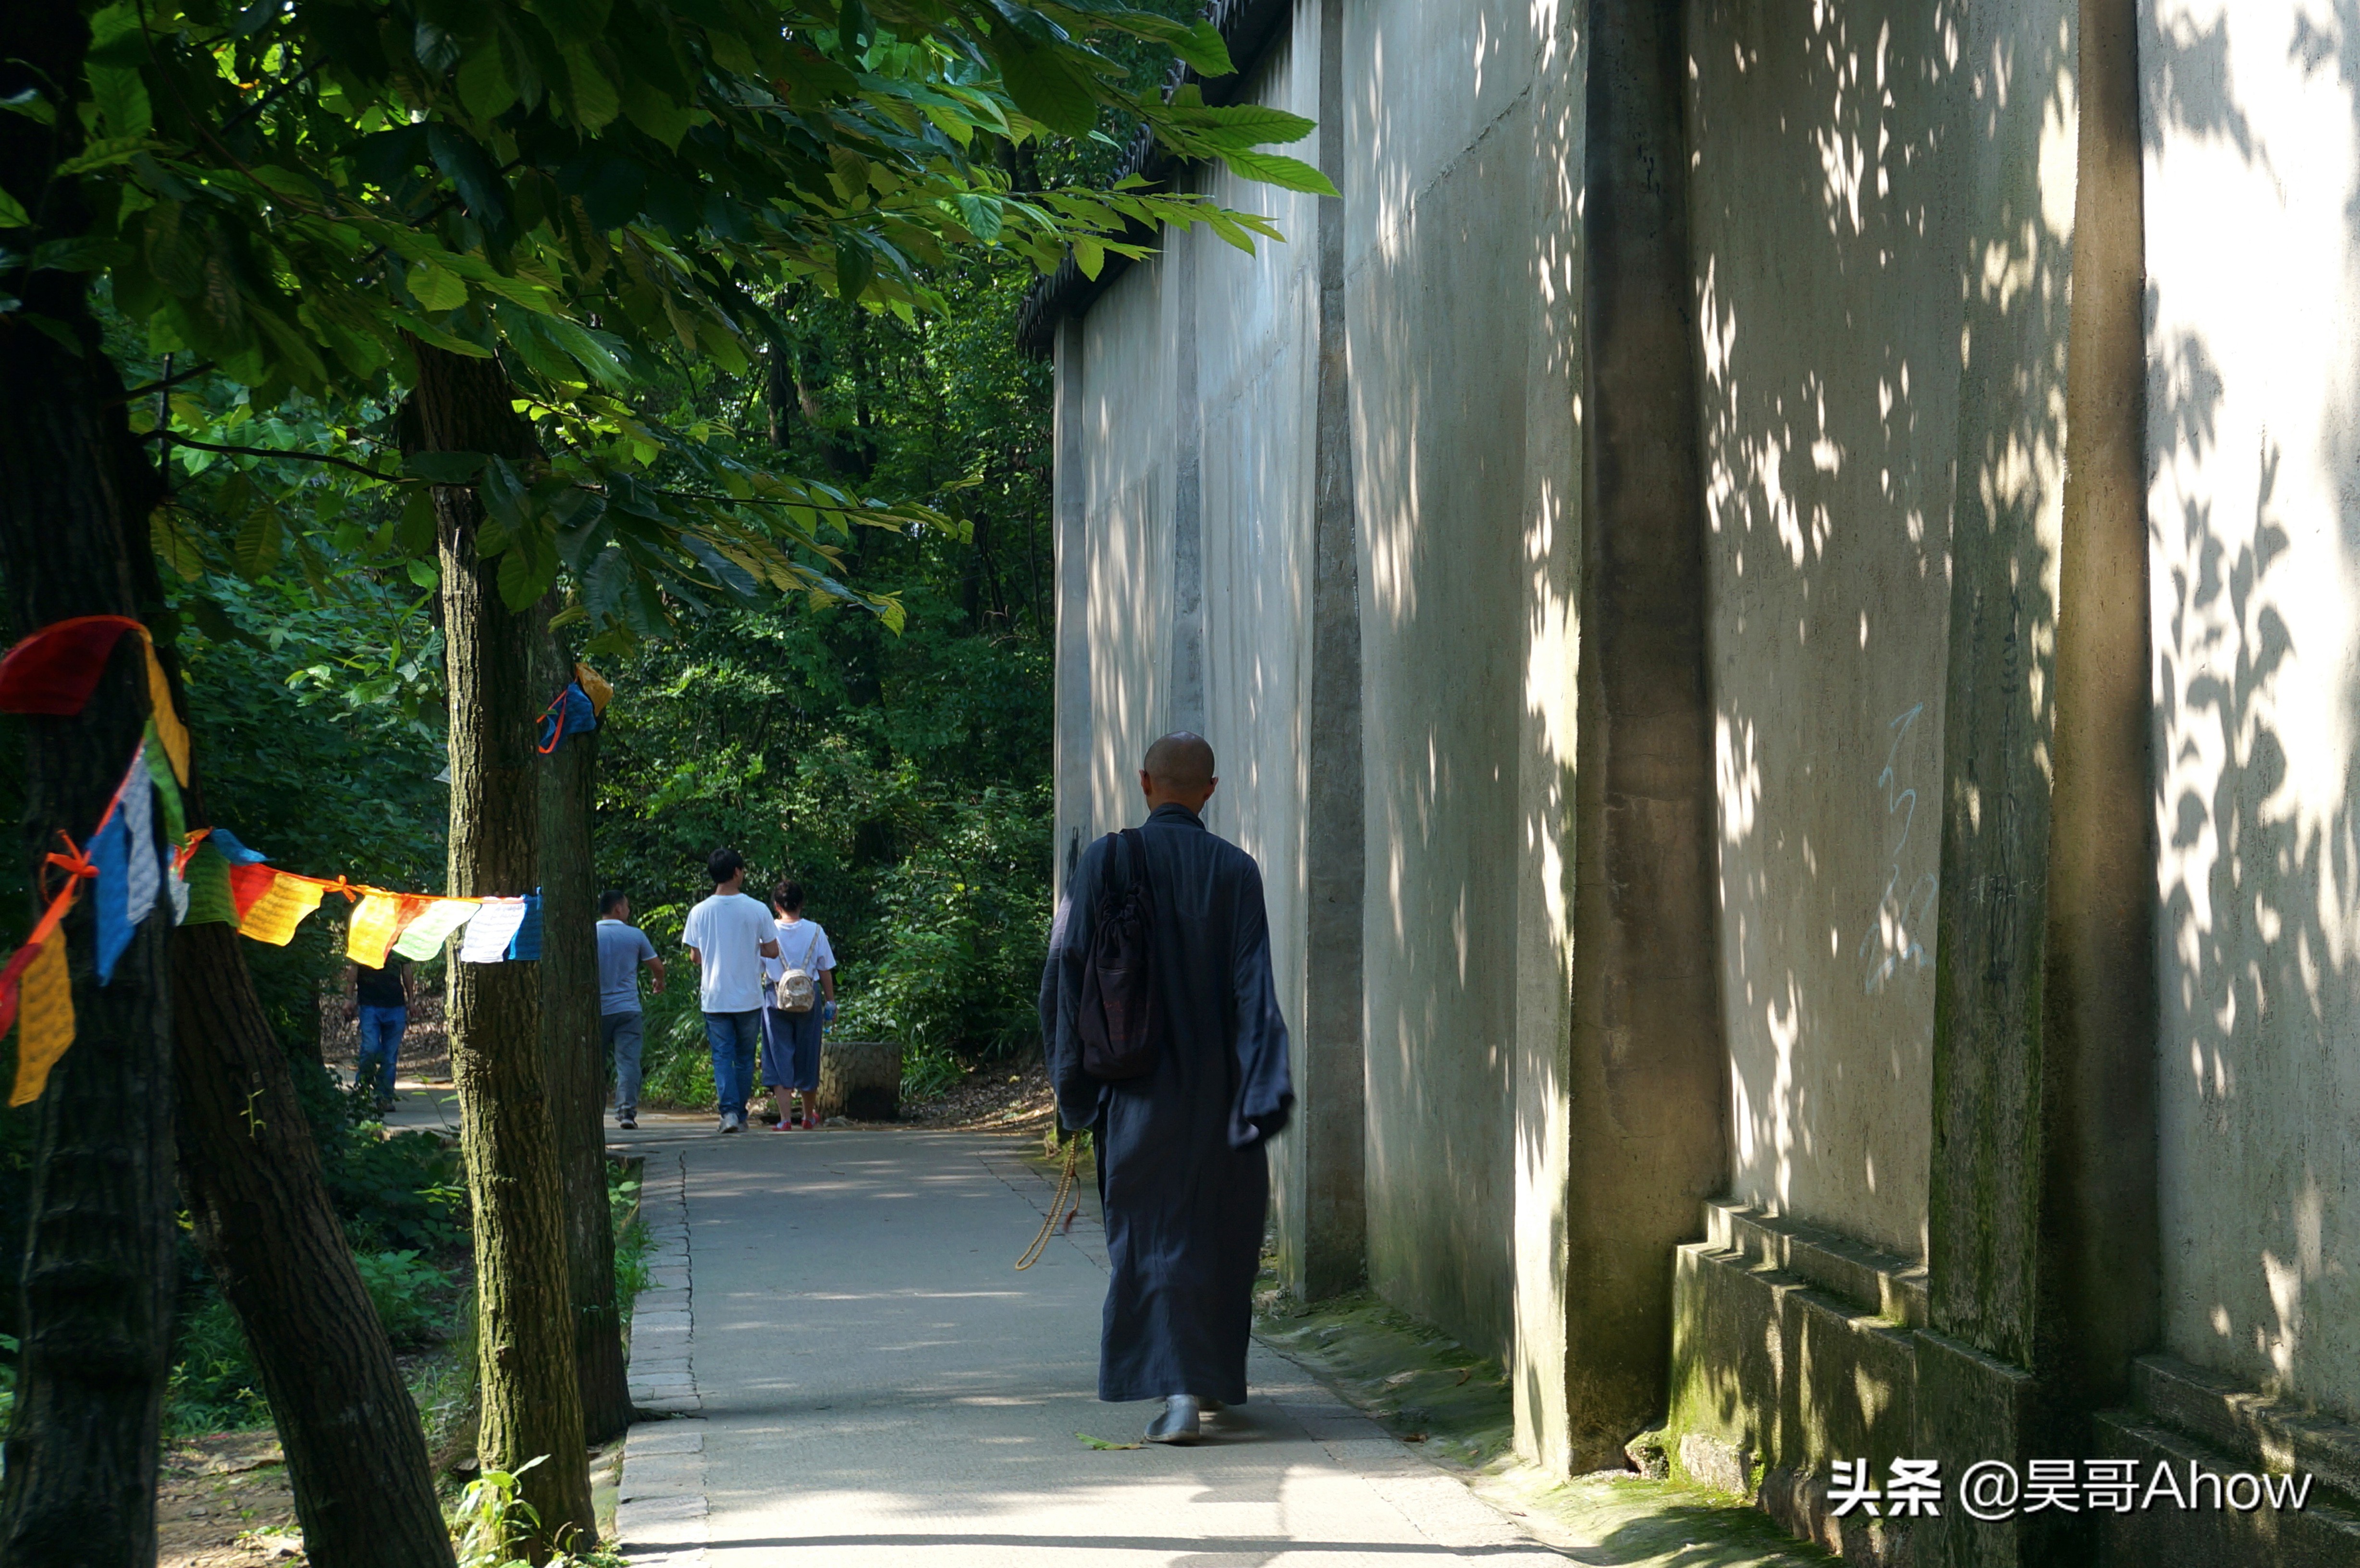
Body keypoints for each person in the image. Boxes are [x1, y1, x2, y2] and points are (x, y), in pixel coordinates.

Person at [1044, 732, 1294, 1445]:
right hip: (1221, 1093)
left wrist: (1073, 1093)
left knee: (1151, 1234)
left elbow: (1065, 976)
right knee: (1220, 1234)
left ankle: (1180, 1391)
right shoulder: (1236, 870)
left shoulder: (1106, 860)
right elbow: (1255, 987)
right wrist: (1263, 1090)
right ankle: (1201, 1382)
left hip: (1133, 1091)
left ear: (1146, 783)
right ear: (1210, 791)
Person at [682, 849, 779, 1134]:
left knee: (722, 1055)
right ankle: (739, 1112)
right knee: (745, 1057)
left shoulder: (699, 911)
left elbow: (695, 957)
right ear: (737, 872)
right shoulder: (757, 908)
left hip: (714, 997)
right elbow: (773, 950)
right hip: (748, 996)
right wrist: (750, 945)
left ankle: (729, 1115)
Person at [759, 880, 838, 1131]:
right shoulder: (816, 931)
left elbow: (758, 967)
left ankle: (784, 1119)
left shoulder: (768, 931)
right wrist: (831, 1001)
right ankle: (807, 1116)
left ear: (776, 906)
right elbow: (825, 969)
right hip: (809, 997)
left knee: (777, 1054)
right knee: (808, 1053)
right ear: (802, 904)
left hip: (775, 996)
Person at [596, 889, 666, 1130]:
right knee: (628, 1062)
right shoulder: (635, 935)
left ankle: (592, 1112)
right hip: (628, 1009)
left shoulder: (590, 934)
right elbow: (657, 966)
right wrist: (659, 981)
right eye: (627, 906)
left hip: (597, 1011)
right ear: (618, 908)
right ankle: (626, 1112)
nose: (629, 910)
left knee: (595, 1062)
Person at [347, 954, 409, 1114]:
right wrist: (348, 998)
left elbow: (407, 969)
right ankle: (363, 1089)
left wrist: (412, 1000)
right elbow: (353, 968)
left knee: (389, 1058)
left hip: (396, 1005)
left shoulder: (399, 940)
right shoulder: (364, 939)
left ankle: (385, 1099)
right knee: (371, 1048)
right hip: (369, 1005)